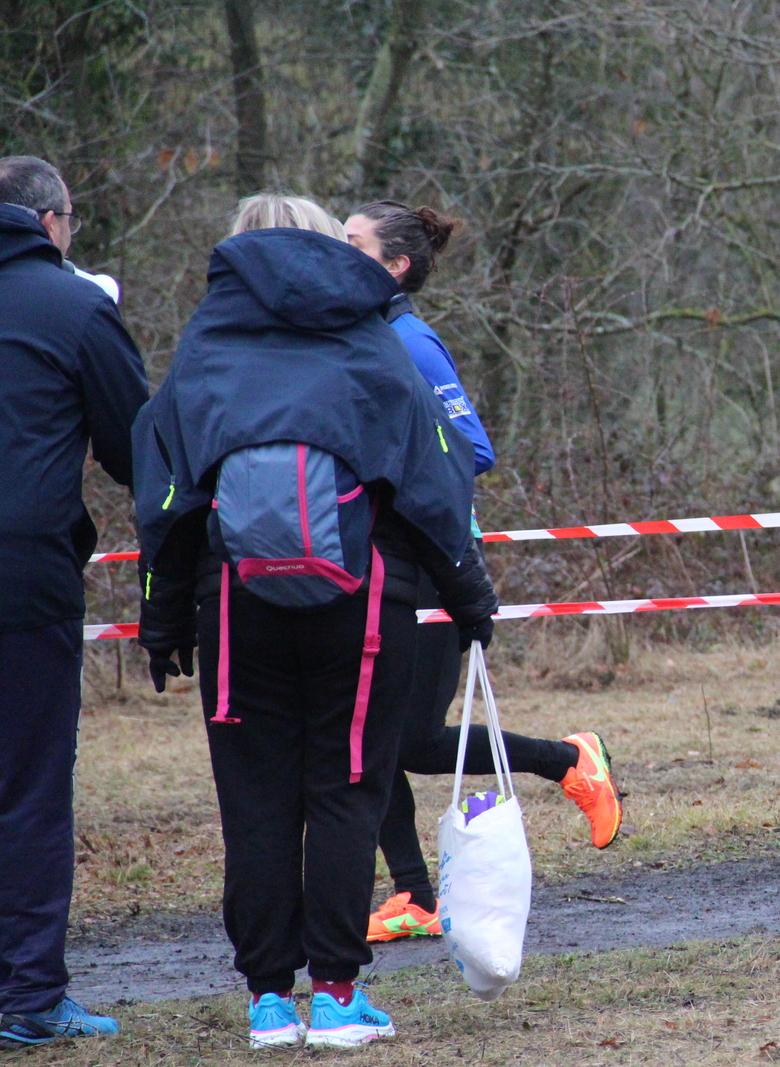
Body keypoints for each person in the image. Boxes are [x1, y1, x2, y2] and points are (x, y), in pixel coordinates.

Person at [134, 194, 497, 1048]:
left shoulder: (208, 343)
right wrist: (470, 598)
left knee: (255, 799)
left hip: (234, 599)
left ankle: (268, 1000)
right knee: (345, 789)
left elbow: (165, 486)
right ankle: (335, 995)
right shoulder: (368, 336)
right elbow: (435, 473)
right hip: (362, 600)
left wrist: (162, 612)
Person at [345, 201, 621, 943]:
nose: (337, 253)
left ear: (395, 265)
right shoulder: (360, 337)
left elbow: (472, 449)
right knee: (371, 737)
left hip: (436, 564)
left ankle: (570, 760)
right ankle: (415, 896)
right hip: (379, 564)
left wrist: (393, 483)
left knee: (411, 743)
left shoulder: (411, 341)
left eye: (353, 244)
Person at [0, 156, 148, 1050]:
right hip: (24, 576)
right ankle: (28, 994)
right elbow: (137, 448)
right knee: (28, 787)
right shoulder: (75, 307)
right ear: (53, 221)